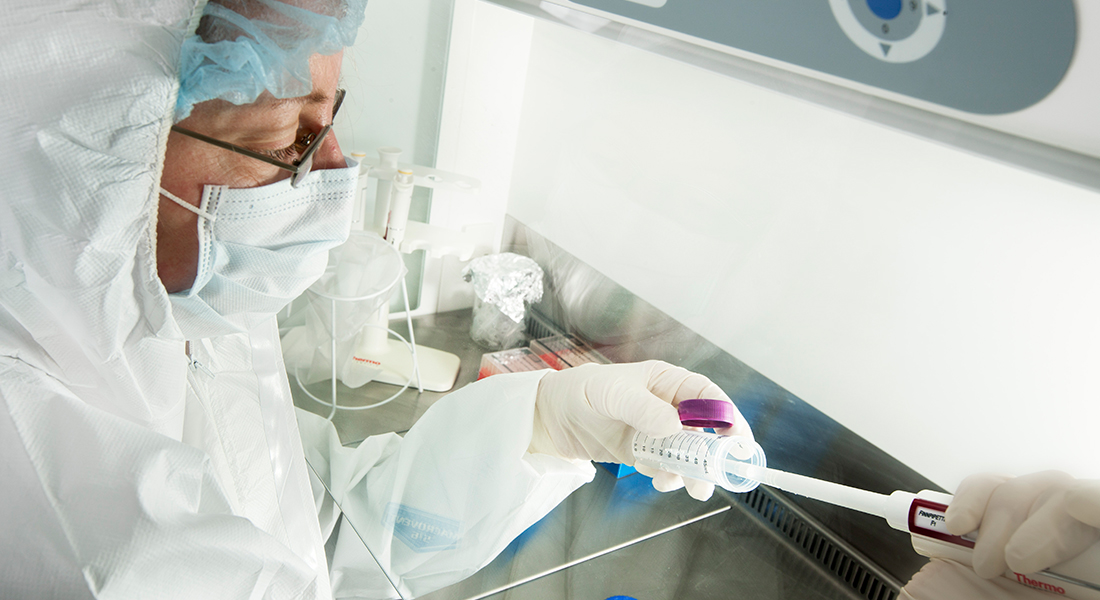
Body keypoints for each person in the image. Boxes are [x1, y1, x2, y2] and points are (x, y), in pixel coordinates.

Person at [0, 1, 751, 598]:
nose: (335, 174)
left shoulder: (169, 321)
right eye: (287, 140)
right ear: (87, 167)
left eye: (329, 122)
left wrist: (544, 425)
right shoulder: (39, 468)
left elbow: (317, 537)